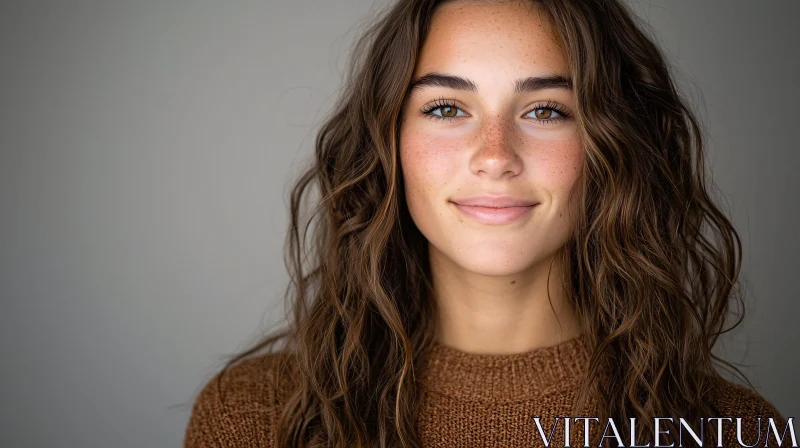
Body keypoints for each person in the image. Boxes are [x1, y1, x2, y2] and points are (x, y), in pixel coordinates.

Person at [184, 0, 790, 446]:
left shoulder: (735, 432)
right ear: (387, 142)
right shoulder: (255, 419)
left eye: (546, 110)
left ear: (614, 145)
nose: (495, 154)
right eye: (447, 108)